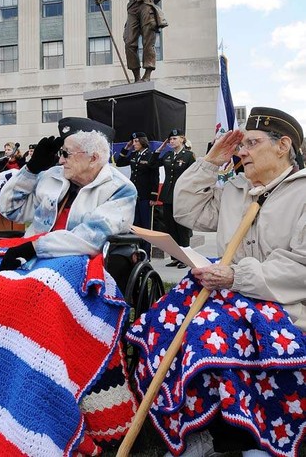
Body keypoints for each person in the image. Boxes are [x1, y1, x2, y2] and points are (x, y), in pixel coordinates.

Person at [0, 118, 139, 456]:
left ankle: (34, 383)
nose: (60, 158)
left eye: (67, 153)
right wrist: (30, 172)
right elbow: (7, 208)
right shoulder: (52, 177)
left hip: (82, 262)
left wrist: (33, 248)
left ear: (94, 157)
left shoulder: (120, 187)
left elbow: (91, 237)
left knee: (40, 294)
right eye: (60, 153)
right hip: (34, 258)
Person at [126, 107, 306, 457]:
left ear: (283, 145)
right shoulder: (237, 189)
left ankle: (253, 434)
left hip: (282, 305)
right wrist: (210, 161)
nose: (242, 151)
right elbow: (186, 210)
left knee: (206, 332)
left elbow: (302, 264)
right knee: (161, 323)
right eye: (242, 144)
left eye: (252, 143)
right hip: (231, 295)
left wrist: (238, 276)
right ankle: (195, 426)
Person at [149, 128, 195, 267]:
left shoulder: (188, 156)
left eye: (174, 139)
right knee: (170, 227)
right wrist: (159, 149)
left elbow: (194, 176)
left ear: (182, 139)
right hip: (168, 196)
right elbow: (152, 164)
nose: (171, 141)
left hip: (182, 195)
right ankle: (176, 257)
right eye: (170, 139)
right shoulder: (168, 155)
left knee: (182, 228)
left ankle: (186, 258)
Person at [116, 131, 159, 255]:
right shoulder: (134, 155)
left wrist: (153, 195)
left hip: (146, 194)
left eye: (136, 141)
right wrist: (126, 148)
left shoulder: (151, 155)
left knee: (145, 226)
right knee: (136, 224)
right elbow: (120, 162)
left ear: (142, 141)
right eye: (133, 141)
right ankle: (137, 251)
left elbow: (154, 176)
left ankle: (146, 252)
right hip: (135, 195)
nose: (134, 144)